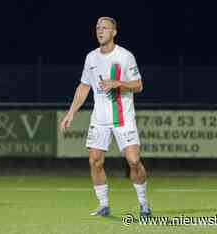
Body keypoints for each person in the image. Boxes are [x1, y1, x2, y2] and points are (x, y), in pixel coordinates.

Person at [60, 16, 151, 217]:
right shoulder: (91, 57)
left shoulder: (125, 56)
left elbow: (139, 85)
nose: (100, 31)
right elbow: (84, 87)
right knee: (95, 161)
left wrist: (118, 83)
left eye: (105, 28)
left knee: (134, 161)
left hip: (123, 118)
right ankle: (104, 205)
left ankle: (144, 204)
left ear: (114, 33)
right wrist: (70, 113)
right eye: (98, 28)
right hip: (99, 120)